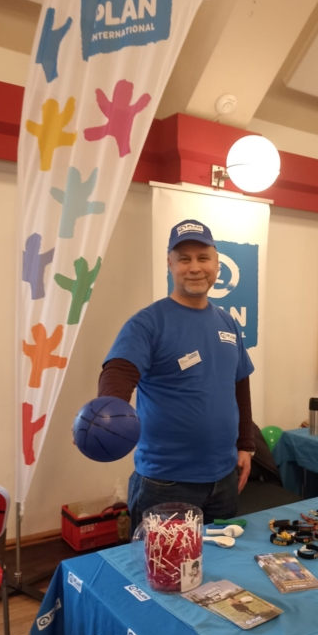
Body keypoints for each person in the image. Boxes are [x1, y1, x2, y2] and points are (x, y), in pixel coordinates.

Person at [98, 219, 255, 530]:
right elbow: (119, 372)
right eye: (184, 259)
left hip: (224, 477)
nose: (194, 267)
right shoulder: (148, 323)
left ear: (217, 265)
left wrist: (245, 445)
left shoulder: (228, 323)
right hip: (166, 481)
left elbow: (239, 382)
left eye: (203, 258)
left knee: (219, 569)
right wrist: (104, 415)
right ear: (170, 264)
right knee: (161, 573)